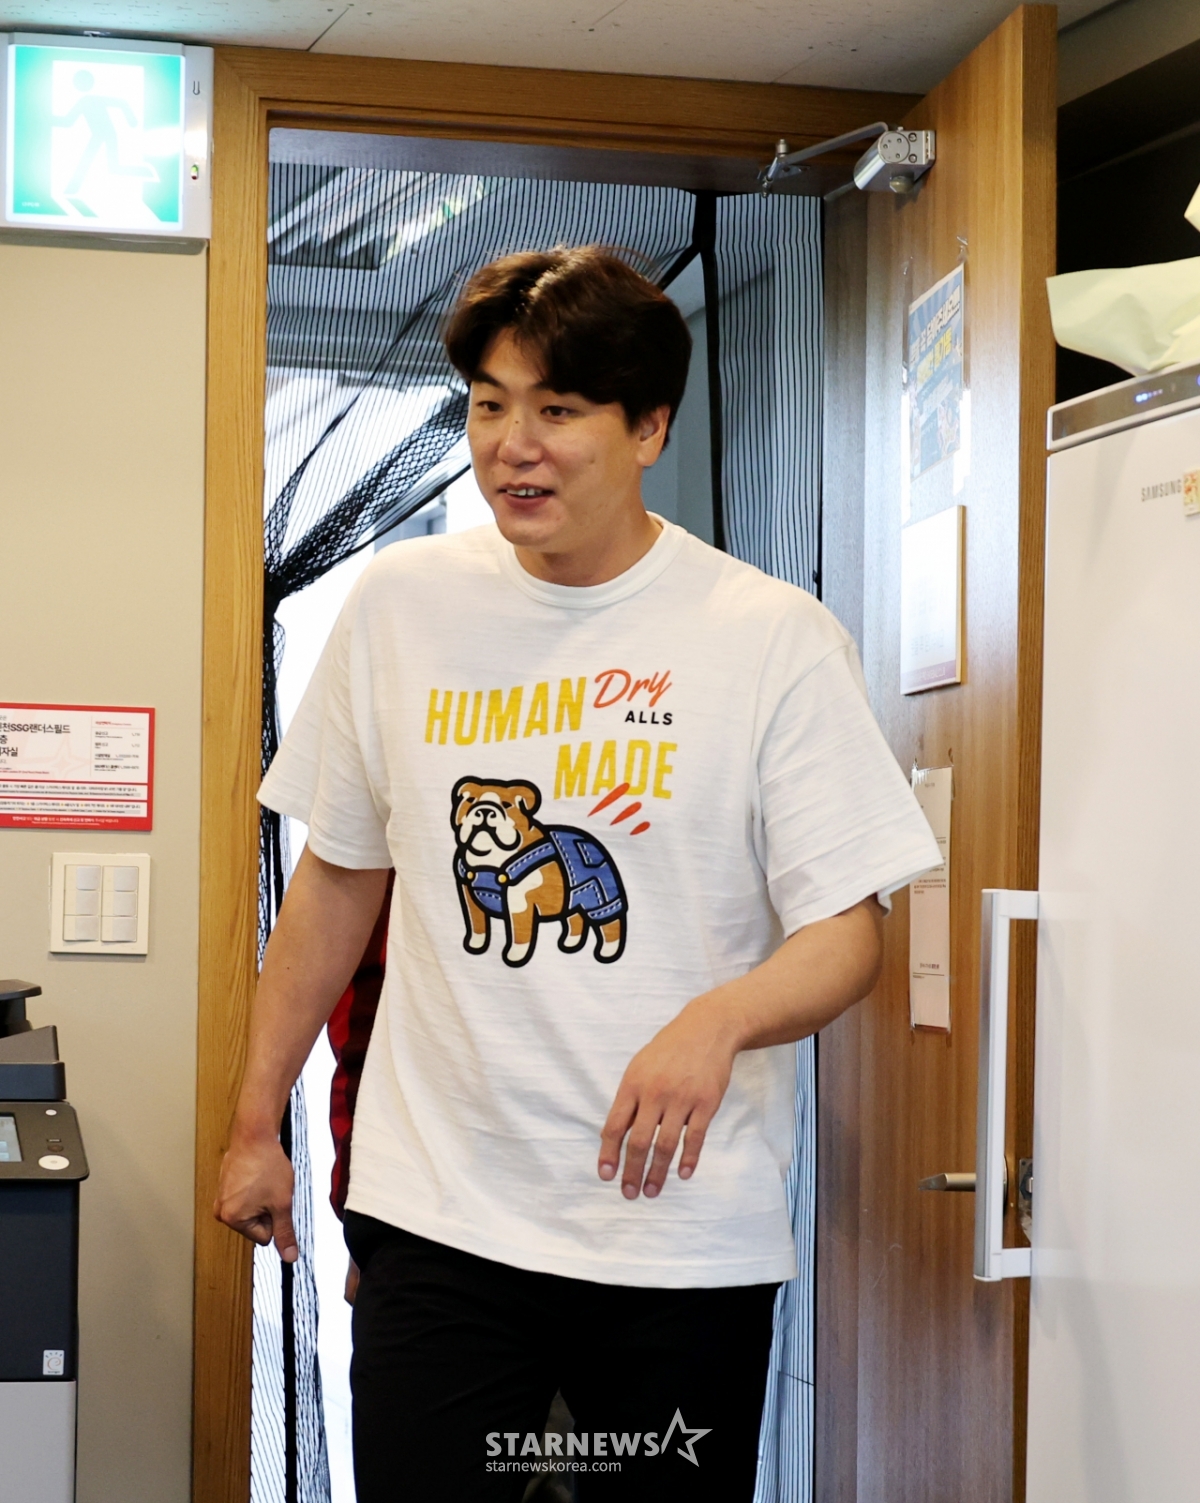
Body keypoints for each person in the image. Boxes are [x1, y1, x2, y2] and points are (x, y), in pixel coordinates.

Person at [215, 245, 939, 1501]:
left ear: (648, 427)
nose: (514, 447)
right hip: (441, 1215)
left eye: (557, 410)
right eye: (490, 406)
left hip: (677, 1237)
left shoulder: (769, 638)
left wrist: (722, 1017)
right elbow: (337, 885)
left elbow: (847, 932)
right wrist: (252, 1125)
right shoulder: (401, 608)